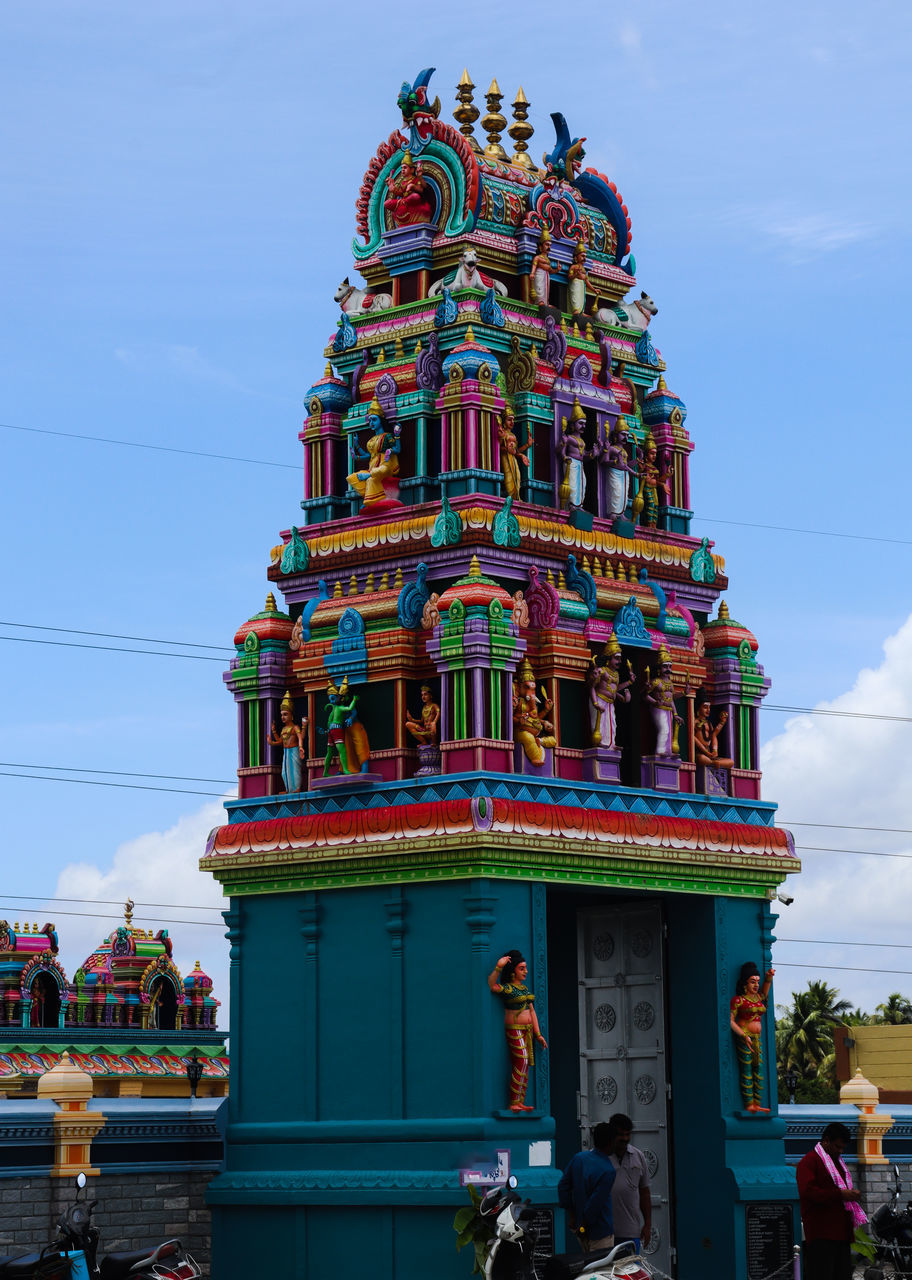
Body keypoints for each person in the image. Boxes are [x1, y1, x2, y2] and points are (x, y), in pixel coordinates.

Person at [797, 1121, 866, 1280]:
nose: (840, 1151)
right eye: (837, 1147)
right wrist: (840, 1194)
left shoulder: (838, 1163)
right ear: (826, 1141)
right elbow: (808, 1193)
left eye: (842, 1148)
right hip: (821, 1232)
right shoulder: (809, 1162)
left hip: (841, 1232)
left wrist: (850, 1195)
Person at [487, 949, 547, 1112]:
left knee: (525, 1064)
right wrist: (498, 967)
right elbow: (491, 985)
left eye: (525, 968)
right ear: (513, 971)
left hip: (527, 1031)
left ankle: (519, 1101)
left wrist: (538, 1034)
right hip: (515, 1029)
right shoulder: (508, 989)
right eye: (521, 968)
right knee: (522, 1061)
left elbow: (532, 1011)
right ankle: (513, 1101)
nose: (525, 971)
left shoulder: (525, 990)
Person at [557, 1122, 616, 1254]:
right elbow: (595, 1203)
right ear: (611, 1142)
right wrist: (584, 1223)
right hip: (601, 1231)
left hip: (579, 1229)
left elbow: (563, 1187)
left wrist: (573, 1217)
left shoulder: (579, 1158)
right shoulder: (608, 1170)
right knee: (600, 1271)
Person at [730, 961, 775, 1112]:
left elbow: (765, 992)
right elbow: (730, 1021)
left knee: (759, 1069)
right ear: (745, 983)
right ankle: (749, 1104)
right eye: (752, 982)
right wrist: (743, 1035)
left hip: (756, 1038)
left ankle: (757, 1102)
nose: (756, 985)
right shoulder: (739, 1000)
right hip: (745, 1036)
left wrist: (769, 978)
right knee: (747, 1069)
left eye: (757, 981)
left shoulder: (758, 998)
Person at [606, 1113, 652, 1254]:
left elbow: (644, 1193)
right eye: (621, 1135)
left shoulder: (638, 1156)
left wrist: (647, 1225)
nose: (625, 1139)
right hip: (604, 1234)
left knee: (630, 1274)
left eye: (628, 1134)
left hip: (630, 1233)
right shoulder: (599, 1157)